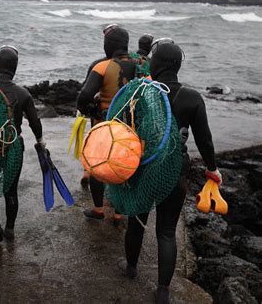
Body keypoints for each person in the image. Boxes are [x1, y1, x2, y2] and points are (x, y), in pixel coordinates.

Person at [117, 40, 222, 304]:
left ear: (156, 64)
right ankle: (163, 290)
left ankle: (130, 268)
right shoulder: (191, 97)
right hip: (175, 170)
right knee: (166, 231)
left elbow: (120, 129)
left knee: (136, 220)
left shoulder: (140, 91)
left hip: (142, 168)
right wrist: (212, 169)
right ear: (177, 65)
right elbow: (205, 140)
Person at [0, 45, 44, 243]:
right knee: (11, 190)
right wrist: (40, 142)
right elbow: (35, 122)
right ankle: (9, 228)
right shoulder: (23, 93)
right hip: (14, 147)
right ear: (15, 67)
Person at [77, 24, 137, 224]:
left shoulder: (102, 66)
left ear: (108, 45)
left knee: (97, 165)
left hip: (105, 125)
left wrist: (88, 111)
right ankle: (119, 213)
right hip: (130, 127)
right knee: (123, 166)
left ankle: (99, 209)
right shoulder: (141, 66)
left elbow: (84, 94)